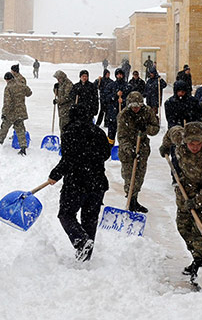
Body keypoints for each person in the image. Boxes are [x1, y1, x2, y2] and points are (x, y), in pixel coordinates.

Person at [160, 122, 202, 279]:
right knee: (183, 227)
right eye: (191, 143)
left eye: (198, 144)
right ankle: (198, 257)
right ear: (185, 140)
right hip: (186, 191)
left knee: (200, 232)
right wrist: (165, 146)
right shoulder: (180, 138)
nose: (195, 147)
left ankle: (200, 264)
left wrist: (197, 202)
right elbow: (171, 131)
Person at [47, 104, 110, 262]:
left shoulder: (70, 131)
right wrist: (92, 160)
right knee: (89, 218)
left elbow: (69, 158)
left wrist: (55, 174)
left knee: (66, 214)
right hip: (97, 183)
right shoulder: (99, 132)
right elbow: (106, 154)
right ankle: (85, 256)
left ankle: (81, 242)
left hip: (77, 183)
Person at [116, 91, 159, 213]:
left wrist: (146, 128)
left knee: (139, 176)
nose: (136, 109)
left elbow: (155, 128)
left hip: (143, 147)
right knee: (129, 176)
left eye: (138, 106)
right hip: (127, 150)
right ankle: (130, 200)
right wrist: (129, 149)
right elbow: (122, 137)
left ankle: (134, 199)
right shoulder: (123, 115)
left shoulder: (147, 112)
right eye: (133, 107)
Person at [0, 72, 33, 155]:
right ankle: (23, 148)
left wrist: (4, 113)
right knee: (20, 130)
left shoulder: (8, 87)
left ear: (6, 79)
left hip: (11, 113)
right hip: (20, 112)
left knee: (4, 128)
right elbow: (29, 93)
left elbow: (7, 102)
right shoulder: (21, 84)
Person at [102, 68, 131, 144]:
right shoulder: (111, 85)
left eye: (121, 74)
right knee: (111, 134)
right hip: (113, 114)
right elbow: (106, 98)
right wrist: (115, 95)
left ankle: (123, 148)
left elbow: (131, 98)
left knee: (124, 134)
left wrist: (123, 101)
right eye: (118, 74)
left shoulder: (128, 86)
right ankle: (110, 148)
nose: (119, 76)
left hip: (124, 114)